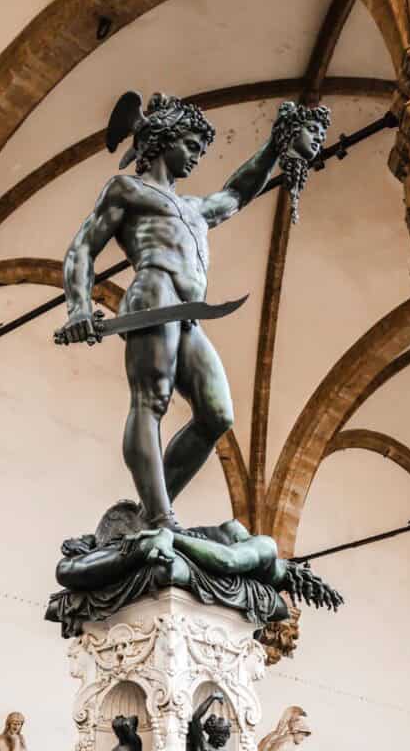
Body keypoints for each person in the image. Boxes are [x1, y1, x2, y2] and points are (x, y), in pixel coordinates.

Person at [57, 92, 329, 530]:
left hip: (188, 313)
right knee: (151, 399)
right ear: (164, 140)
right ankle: (162, 516)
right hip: (154, 294)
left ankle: (148, 513)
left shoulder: (194, 208)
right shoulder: (127, 189)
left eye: (201, 152)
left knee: (217, 414)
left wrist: (275, 148)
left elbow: (237, 193)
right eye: (191, 147)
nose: (196, 159)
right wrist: (78, 307)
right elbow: (83, 248)